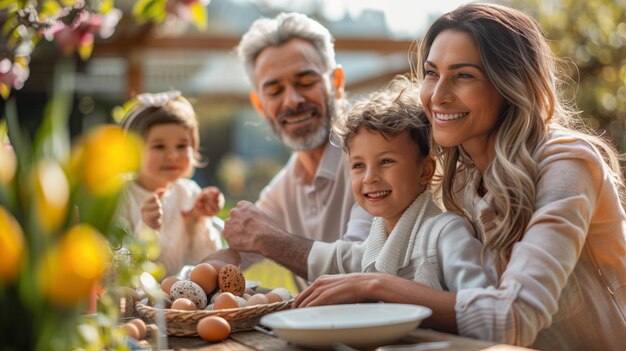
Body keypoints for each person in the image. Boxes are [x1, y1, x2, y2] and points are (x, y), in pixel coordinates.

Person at [295, 3, 626, 350]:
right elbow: (377, 233)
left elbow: (512, 320)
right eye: (431, 73)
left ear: (508, 84)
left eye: (463, 75)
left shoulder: (567, 163)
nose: (437, 96)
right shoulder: (461, 176)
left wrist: (376, 285)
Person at [214, 12, 372, 277]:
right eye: (274, 91)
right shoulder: (284, 187)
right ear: (259, 105)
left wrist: (271, 240)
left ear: (337, 83)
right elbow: (236, 252)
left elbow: (366, 265)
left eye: (306, 81)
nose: (292, 101)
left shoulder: (376, 158)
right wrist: (188, 279)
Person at [306, 76, 486, 292]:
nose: (369, 177)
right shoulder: (377, 238)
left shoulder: (446, 234)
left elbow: (478, 304)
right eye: (358, 165)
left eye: (386, 161)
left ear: (425, 170)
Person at [117, 91, 224, 276]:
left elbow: (205, 263)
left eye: (182, 146)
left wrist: (198, 219)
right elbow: (120, 269)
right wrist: (147, 228)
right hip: (139, 300)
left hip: (182, 300)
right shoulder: (121, 197)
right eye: (159, 146)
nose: (173, 155)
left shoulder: (188, 192)